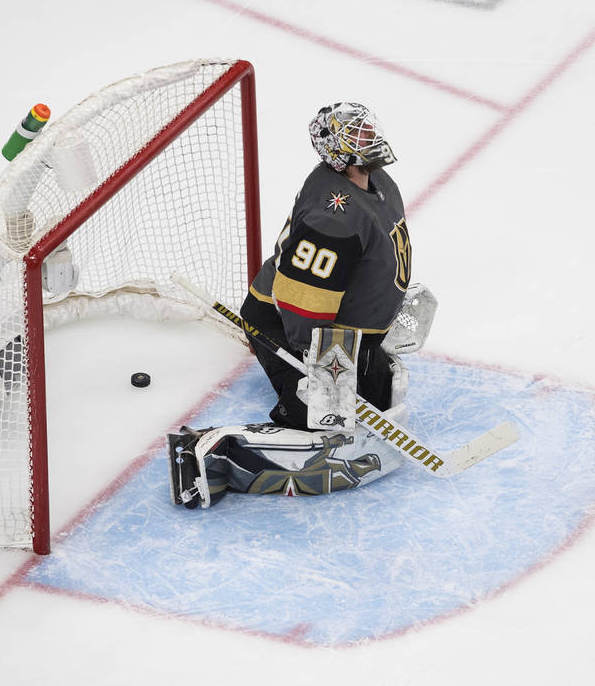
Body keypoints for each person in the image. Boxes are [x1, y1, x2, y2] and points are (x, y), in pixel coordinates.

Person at [167, 101, 426, 508]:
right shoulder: (332, 218)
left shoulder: (378, 181)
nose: (369, 137)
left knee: (377, 397)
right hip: (289, 327)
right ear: (336, 150)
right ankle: (215, 452)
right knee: (320, 418)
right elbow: (301, 302)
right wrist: (318, 367)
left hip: (347, 329)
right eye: (357, 133)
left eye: (368, 128)